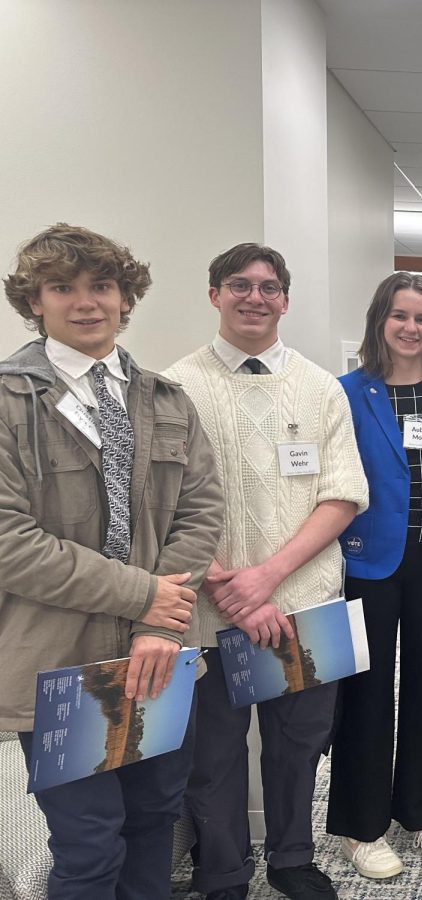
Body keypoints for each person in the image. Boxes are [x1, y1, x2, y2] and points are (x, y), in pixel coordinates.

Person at [0, 224, 224, 898]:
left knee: (156, 819)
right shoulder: (9, 401)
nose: (86, 301)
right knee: (89, 845)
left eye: (102, 285)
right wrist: (143, 597)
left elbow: (202, 511)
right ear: (34, 301)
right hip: (60, 666)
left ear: (126, 298)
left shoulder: (165, 399)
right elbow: (8, 540)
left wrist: (161, 623)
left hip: (159, 657)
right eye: (62, 287)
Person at [167, 244, 368, 900]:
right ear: (214, 295)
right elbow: (163, 503)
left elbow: (342, 494)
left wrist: (267, 579)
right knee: (214, 755)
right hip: (207, 606)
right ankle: (222, 869)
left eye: (268, 287)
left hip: (307, 601)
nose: (254, 297)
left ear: (286, 298)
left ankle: (291, 857)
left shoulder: (321, 388)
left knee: (299, 745)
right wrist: (235, 587)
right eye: (239, 285)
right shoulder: (175, 388)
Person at [327, 272, 422, 878]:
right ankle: (360, 827)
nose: (411, 328)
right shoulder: (346, 392)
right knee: (365, 693)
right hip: (367, 560)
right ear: (379, 321)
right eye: (400, 316)